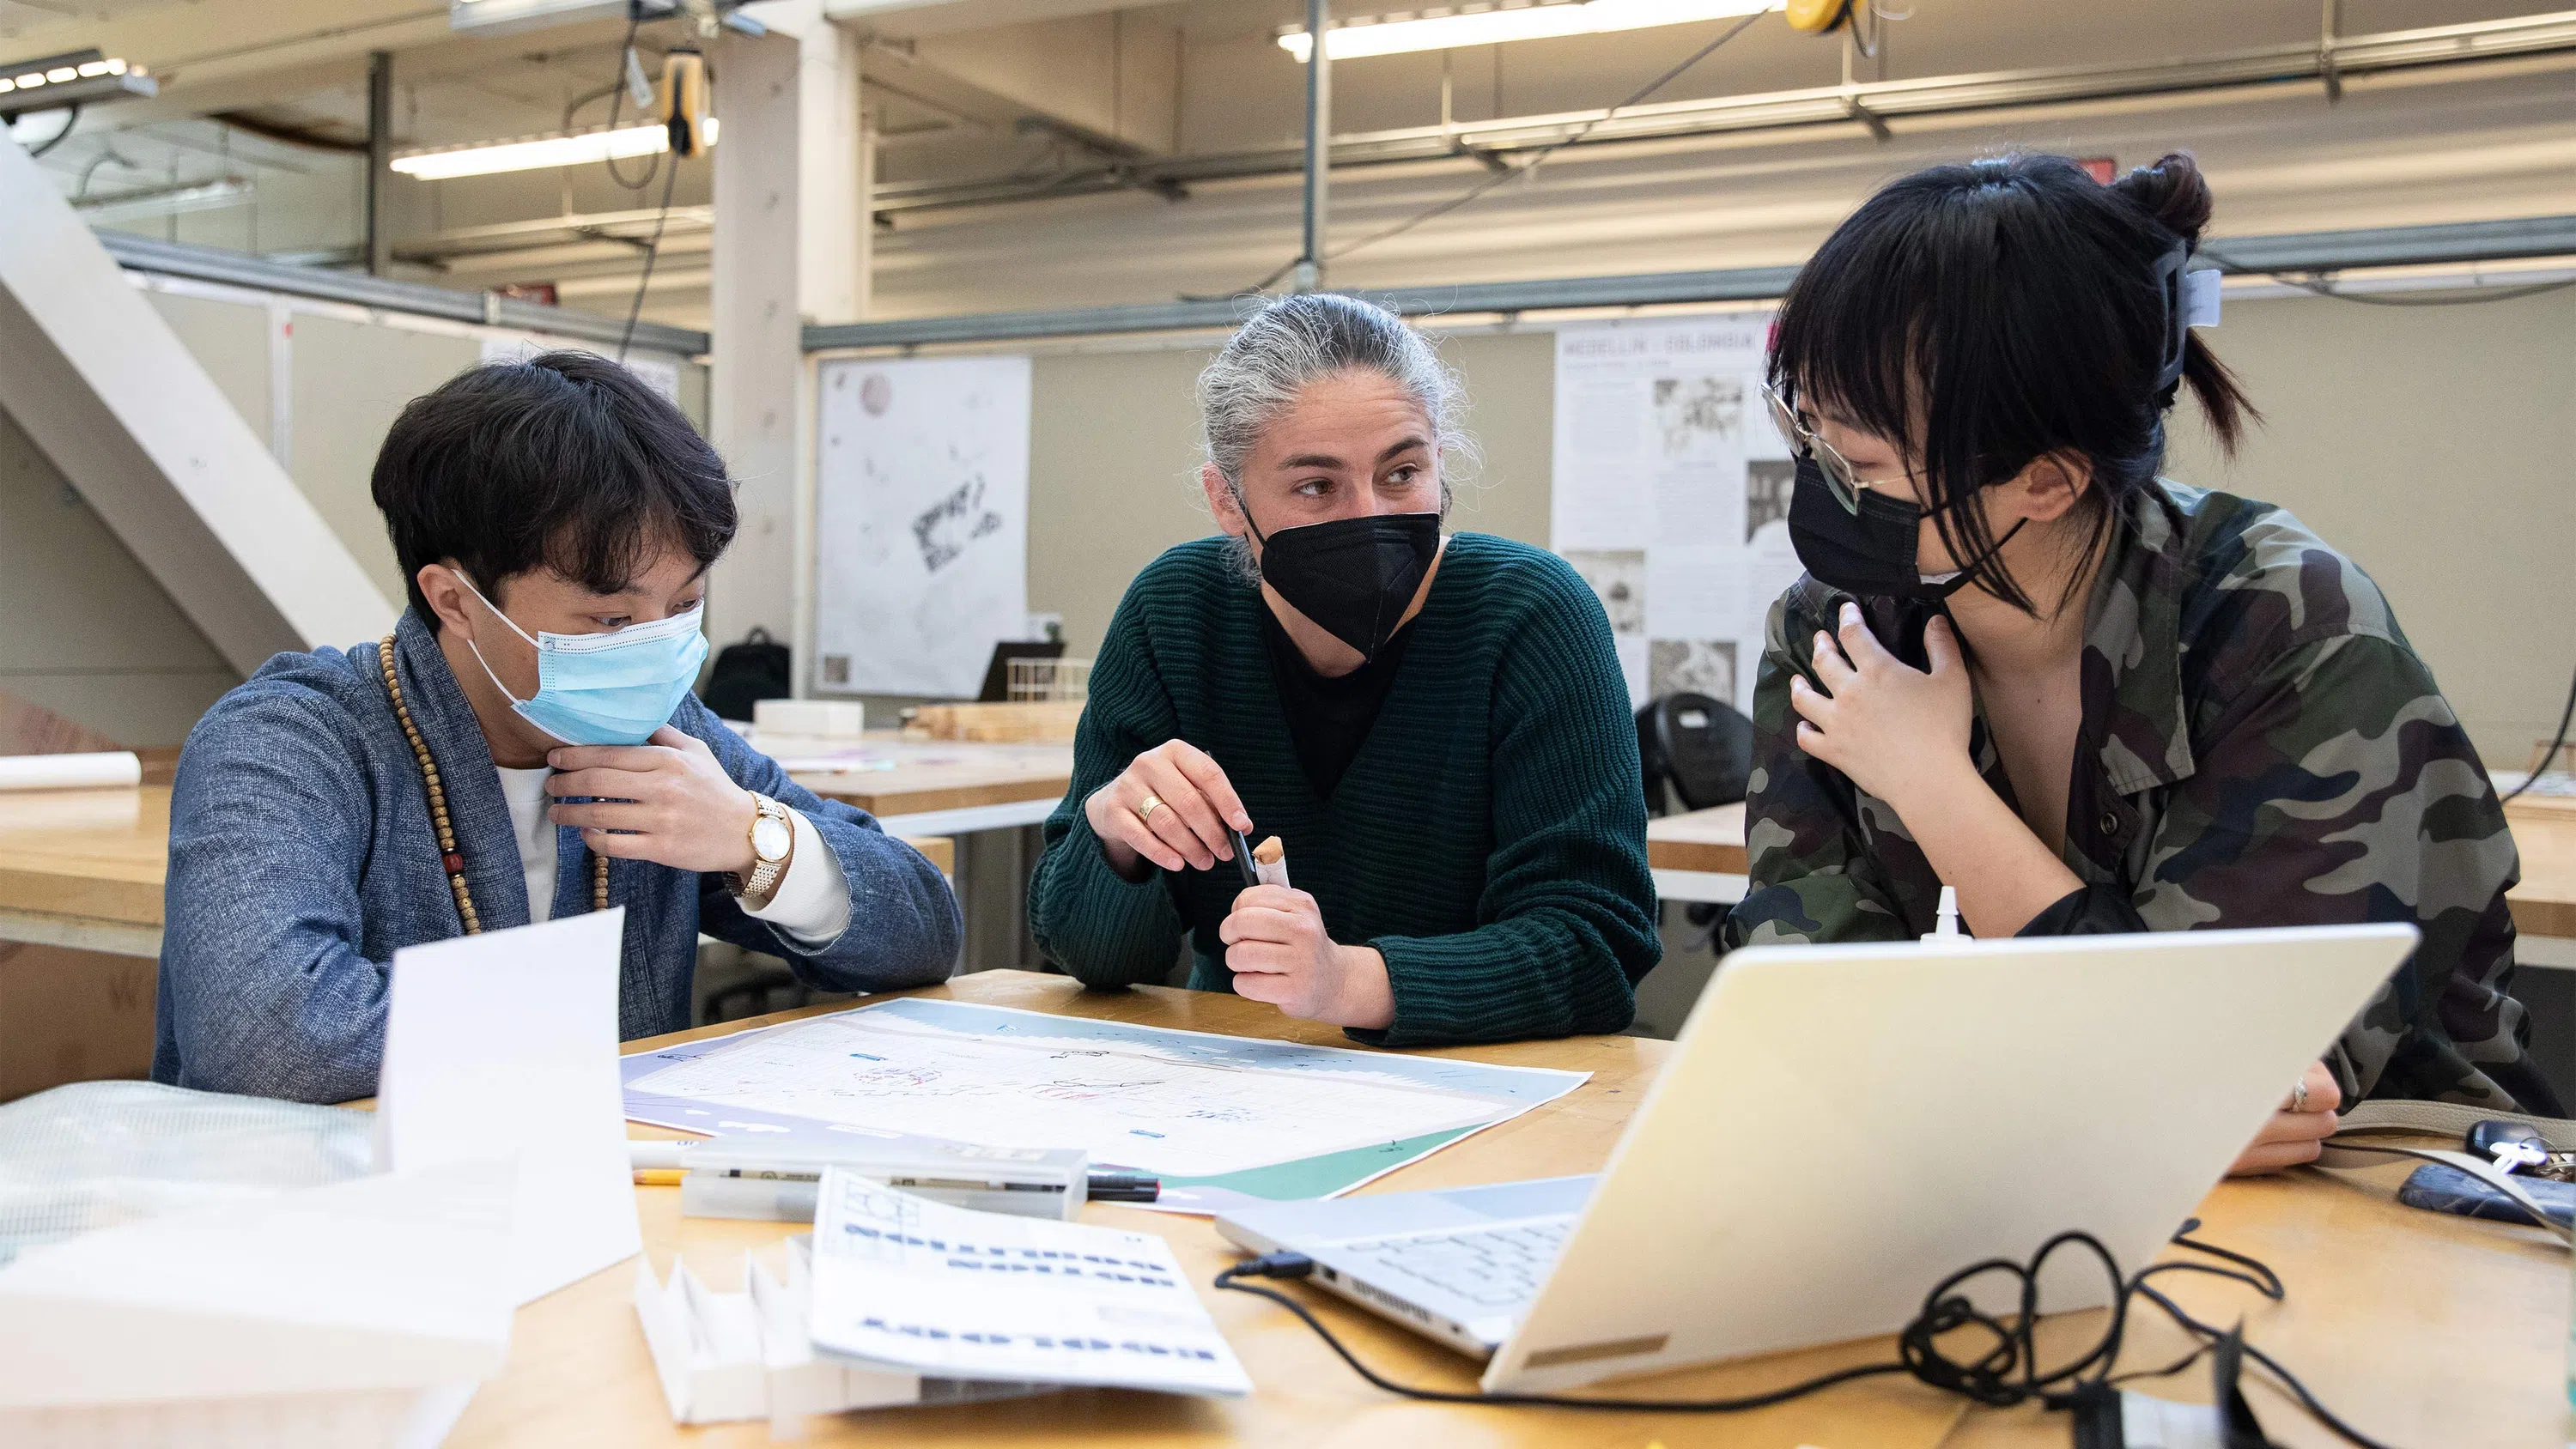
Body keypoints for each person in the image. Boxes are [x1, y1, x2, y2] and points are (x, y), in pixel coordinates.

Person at [1724, 151, 2561, 1174]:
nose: (1818, 482)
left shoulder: (2285, 627)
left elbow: (2244, 1071)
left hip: (2406, 1186)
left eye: (1860, 466)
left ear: (2044, 481)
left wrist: (1930, 781)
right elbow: (1812, 1020)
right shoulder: (1836, 627)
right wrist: (2124, 1083)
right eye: (1804, 429)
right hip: (2015, 1175)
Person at [154, 352, 961, 1102]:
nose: (654, 647)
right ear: (455, 601)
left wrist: (756, 839)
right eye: (610, 619)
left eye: (683, 607)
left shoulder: (665, 737)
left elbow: (925, 927)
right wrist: (574, 1012)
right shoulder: (293, 741)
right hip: (339, 1223)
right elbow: (265, 1039)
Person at [1025, 294, 1660, 1046]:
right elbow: (1089, 958)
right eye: (1317, 487)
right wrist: (1117, 841)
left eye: (1401, 473)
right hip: (1233, 1072)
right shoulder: (1176, 613)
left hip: (1487, 1085)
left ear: (1439, 463)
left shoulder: (1530, 618)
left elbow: (1597, 951)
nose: (1372, 517)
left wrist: (1344, 982)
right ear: (1228, 501)